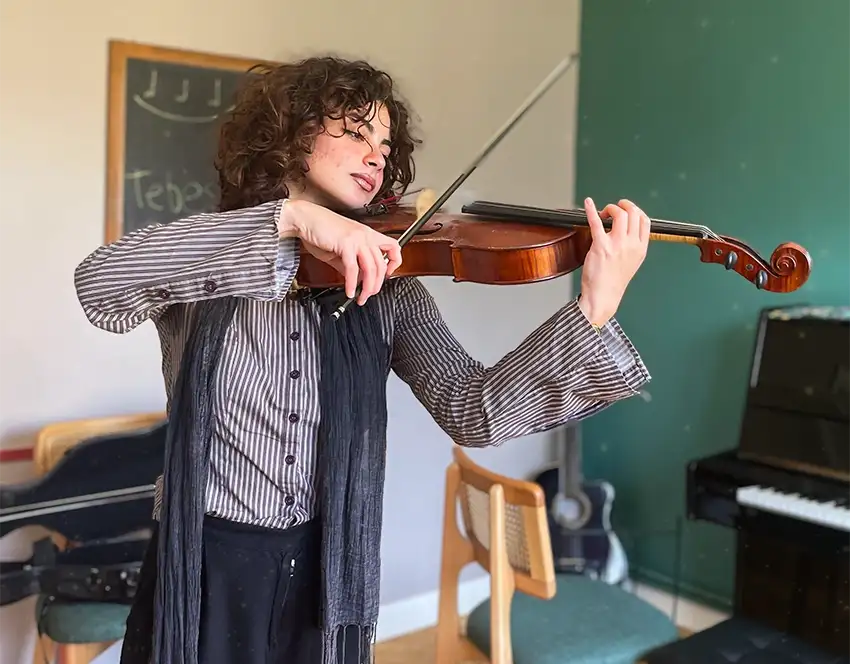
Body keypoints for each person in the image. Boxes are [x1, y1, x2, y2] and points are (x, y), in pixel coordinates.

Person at [74, 56, 651, 664]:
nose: (377, 156)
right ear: (290, 133)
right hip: (205, 557)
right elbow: (99, 286)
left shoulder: (389, 284)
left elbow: (473, 410)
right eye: (356, 133)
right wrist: (291, 218)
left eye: (385, 144)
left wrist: (594, 308)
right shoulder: (213, 254)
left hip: (327, 566)